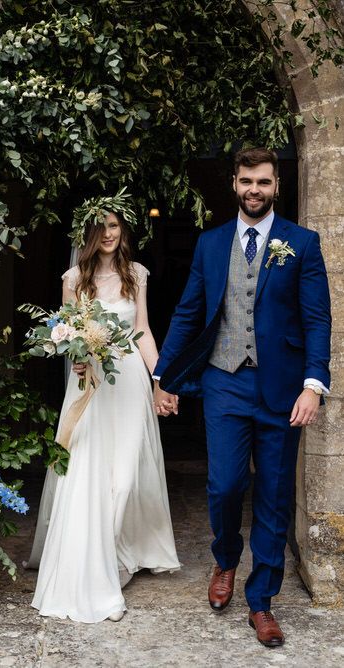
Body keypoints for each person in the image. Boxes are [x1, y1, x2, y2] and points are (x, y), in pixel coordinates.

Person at [153, 147, 331, 647]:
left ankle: (262, 601)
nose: (255, 190)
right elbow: (189, 313)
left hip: (281, 387)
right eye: (247, 181)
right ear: (234, 183)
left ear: (277, 186)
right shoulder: (210, 245)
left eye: (265, 182)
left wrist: (314, 385)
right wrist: (163, 376)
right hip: (224, 381)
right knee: (226, 486)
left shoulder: (302, 243)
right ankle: (226, 557)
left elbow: (318, 318)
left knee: (274, 497)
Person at [30, 208, 181, 624]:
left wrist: (161, 379)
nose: (109, 234)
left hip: (130, 379)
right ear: (88, 234)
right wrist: (75, 359)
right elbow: (65, 335)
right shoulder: (73, 280)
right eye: (102, 227)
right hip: (92, 386)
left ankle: (118, 547)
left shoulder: (137, 273)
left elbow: (144, 331)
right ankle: (98, 562)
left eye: (115, 226)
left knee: (128, 471)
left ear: (123, 230)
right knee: (91, 471)